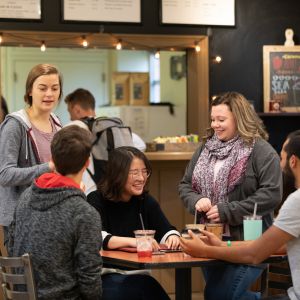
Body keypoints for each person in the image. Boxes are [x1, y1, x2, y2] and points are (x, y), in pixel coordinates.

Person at [178, 91, 282, 300]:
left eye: (221, 119)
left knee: (219, 295)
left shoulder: (261, 150)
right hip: (209, 237)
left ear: (239, 118)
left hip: (251, 241)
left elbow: (272, 194)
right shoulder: (205, 149)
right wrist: (196, 200)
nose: (215, 125)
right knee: (217, 295)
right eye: (213, 119)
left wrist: (228, 210)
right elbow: (185, 186)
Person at [8, 125, 103, 300]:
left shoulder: (26, 197)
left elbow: (12, 246)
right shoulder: (85, 213)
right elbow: (90, 278)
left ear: (53, 159)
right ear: (87, 162)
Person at [87, 146, 180, 300]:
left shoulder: (144, 201)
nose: (141, 178)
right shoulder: (96, 199)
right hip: (106, 276)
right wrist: (137, 242)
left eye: (144, 171)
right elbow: (98, 237)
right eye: (134, 172)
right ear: (117, 174)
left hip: (139, 274)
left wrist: (172, 237)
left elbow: (166, 230)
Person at [0, 63, 62, 234]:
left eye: (55, 88)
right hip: (20, 220)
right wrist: (47, 167)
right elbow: (4, 175)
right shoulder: (14, 125)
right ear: (30, 91)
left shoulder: (57, 124)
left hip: (51, 215)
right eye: (42, 88)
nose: (49, 94)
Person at [64, 88, 146, 195]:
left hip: (88, 190)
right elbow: (141, 145)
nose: (70, 117)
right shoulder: (109, 125)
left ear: (76, 109)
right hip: (116, 190)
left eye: (70, 112)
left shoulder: (72, 128)